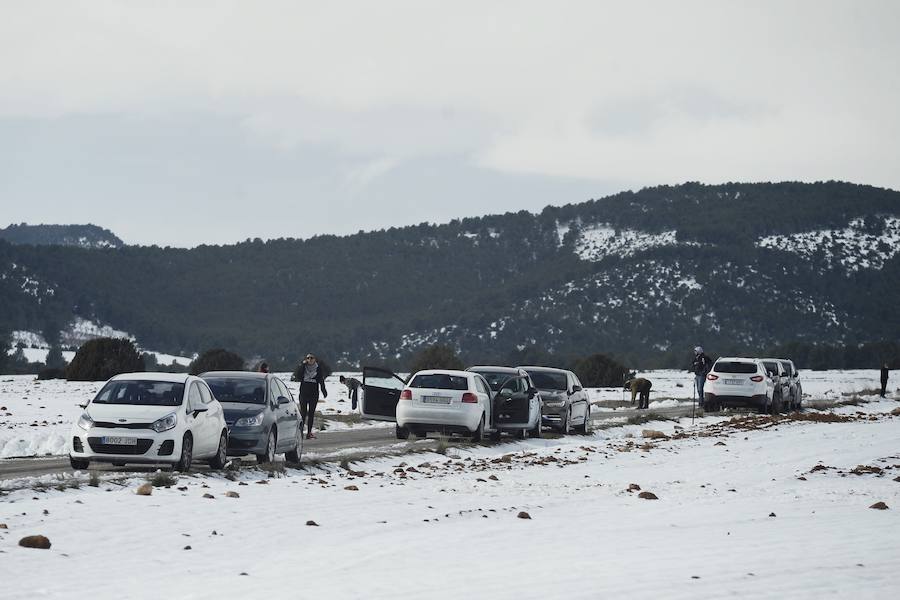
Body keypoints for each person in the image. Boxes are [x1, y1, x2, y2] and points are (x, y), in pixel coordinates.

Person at [299, 354, 327, 439]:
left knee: (311, 413)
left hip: (313, 394)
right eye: (308, 358)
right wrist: (302, 365)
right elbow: (298, 375)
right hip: (304, 393)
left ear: (315, 359)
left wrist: (323, 390)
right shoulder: (303, 367)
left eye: (312, 358)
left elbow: (321, 380)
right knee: (303, 413)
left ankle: (309, 433)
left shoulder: (318, 368)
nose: (310, 359)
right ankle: (300, 433)